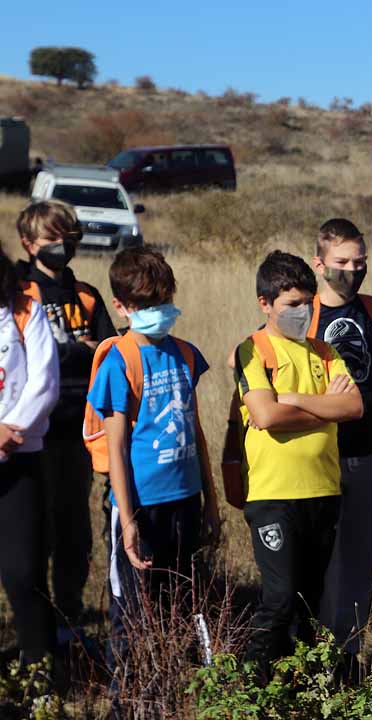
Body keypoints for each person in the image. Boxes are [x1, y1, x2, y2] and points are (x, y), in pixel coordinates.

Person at [86, 248, 220, 688]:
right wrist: (127, 520)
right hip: (141, 506)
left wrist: (211, 502)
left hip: (186, 500)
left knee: (180, 604)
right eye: (146, 305)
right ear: (121, 307)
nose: (158, 312)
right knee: (133, 614)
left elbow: (195, 430)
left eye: (164, 301)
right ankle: (131, 702)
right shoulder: (119, 360)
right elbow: (117, 446)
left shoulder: (184, 354)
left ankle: (175, 693)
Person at [236, 251, 362, 667]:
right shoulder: (253, 351)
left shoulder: (325, 352)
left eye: (308, 303)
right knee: (279, 596)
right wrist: (323, 404)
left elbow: (353, 408)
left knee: (310, 601)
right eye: (292, 304)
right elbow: (266, 415)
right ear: (265, 304)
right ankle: (253, 686)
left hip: (323, 491)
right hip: (274, 495)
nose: (303, 312)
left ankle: (303, 686)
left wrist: (292, 399)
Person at [16, 200, 116, 641]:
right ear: (28, 242)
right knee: (36, 528)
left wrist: (77, 350)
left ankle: (69, 617)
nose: (62, 246)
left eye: (69, 238)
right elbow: (27, 358)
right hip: (31, 431)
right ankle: (33, 624)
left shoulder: (88, 295)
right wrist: (80, 348)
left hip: (79, 429)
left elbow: (112, 352)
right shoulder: (19, 294)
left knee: (74, 527)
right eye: (52, 239)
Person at [310, 219, 372, 675]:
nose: (352, 270)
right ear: (319, 263)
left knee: (364, 557)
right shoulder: (301, 314)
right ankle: (314, 652)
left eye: (359, 262)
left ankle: (347, 654)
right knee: (322, 560)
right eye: (342, 262)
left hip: (370, 452)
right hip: (316, 457)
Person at [0, 244, 59, 666]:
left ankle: (40, 670)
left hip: (18, 457)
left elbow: (45, 382)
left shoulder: (25, 309)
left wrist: (7, 432)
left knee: (25, 572)